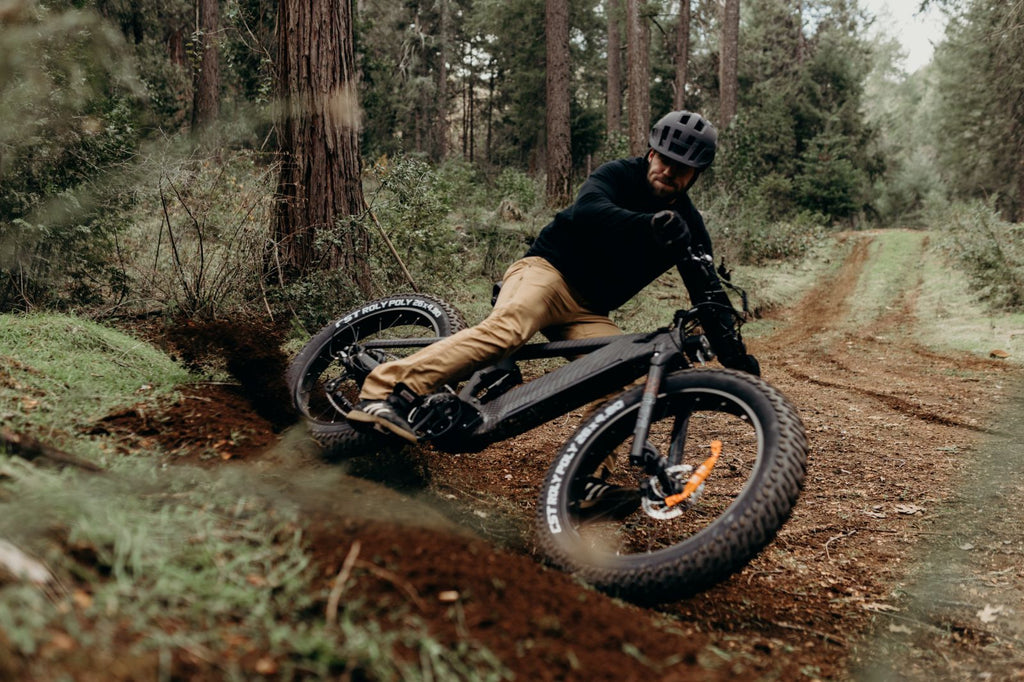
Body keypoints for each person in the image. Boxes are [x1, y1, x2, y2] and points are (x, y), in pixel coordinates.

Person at [348, 110, 758, 447]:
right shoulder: (619, 174)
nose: (669, 171)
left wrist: (739, 364)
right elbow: (589, 211)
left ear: (696, 175)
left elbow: (708, 293)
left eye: (682, 168)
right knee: (508, 330)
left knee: (623, 380)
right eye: (665, 159)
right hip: (545, 272)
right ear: (650, 152)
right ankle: (384, 390)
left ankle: (585, 478)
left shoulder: (688, 225)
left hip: (588, 311)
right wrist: (650, 224)